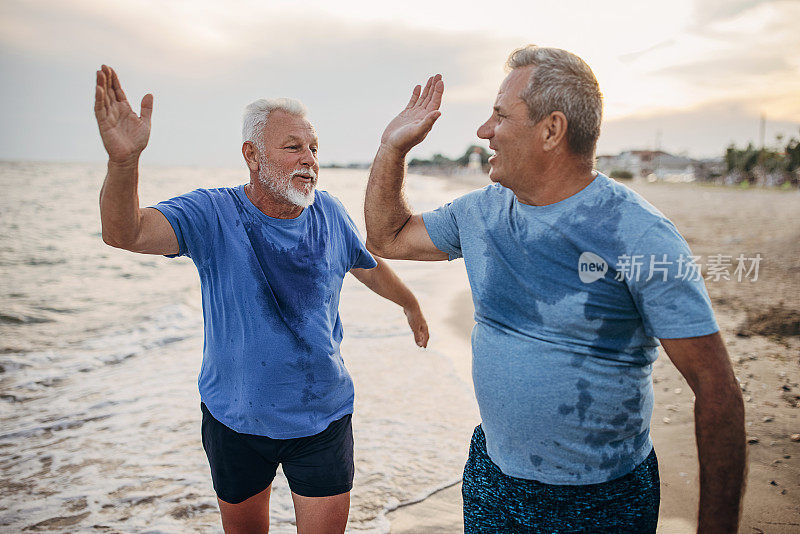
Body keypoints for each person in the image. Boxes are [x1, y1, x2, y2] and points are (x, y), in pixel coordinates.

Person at [364, 46, 745, 533]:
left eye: (500, 116)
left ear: (551, 130)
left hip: (603, 500)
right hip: (493, 482)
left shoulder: (639, 235)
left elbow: (717, 392)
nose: (484, 131)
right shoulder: (481, 213)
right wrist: (391, 148)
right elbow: (386, 236)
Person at [94, 65, 429, 534]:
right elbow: (123, 232)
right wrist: (124, 162)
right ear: (252, 155)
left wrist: (410, 304)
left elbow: (364, 264)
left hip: (322, 418)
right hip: (236, 420)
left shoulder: (329, 211)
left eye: (314, 148)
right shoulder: (212, 213)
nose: (309, 159)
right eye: (294, 147)